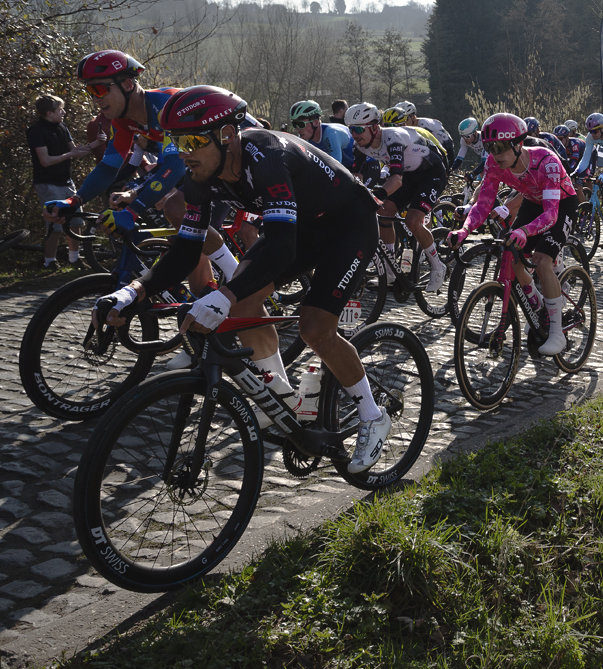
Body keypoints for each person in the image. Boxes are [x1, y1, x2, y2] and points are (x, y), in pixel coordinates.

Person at [92, 85, 392, 473]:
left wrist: (222, 296)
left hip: (348, 225)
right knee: (246, 302)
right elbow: (186, 249)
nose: (184, 151)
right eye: (176, 141)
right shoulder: (200, 173)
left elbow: (281, 247)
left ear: (227, 134)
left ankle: (372, 416)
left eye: (194, 140)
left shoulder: (266, 158)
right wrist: (133, 292)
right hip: (302, 228)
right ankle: (284, 398)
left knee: (315, 328)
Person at [43, 50, 241, 291]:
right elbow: (108, 168)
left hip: (235, 162)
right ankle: (209, 303)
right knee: (187, 240)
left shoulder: (166, 106)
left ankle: (242, 283)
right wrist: (75, 200)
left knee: (176, 209)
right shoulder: (123, 122)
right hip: (202, 168)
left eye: (99, 89)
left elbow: (174, 165)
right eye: (89, 91)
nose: (94, 98)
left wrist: (134, 209)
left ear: (127, 84)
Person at [448, 113, 578, 355]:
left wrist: (523, 230)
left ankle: (557, 332)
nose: (494, 155)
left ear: (518, 144)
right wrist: (463, 230)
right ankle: (540, 306)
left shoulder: (546, 161)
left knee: (541, 260)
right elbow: (483, 204)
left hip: (561, 205)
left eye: (499, 148)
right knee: (513, 257)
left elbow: (550, 215)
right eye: (489, 148)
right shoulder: (493, 164)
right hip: (531, 202)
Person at [346, 102, 448, 293]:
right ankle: (390, 268)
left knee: (413, 220)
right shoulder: (359, 145)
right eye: (351, 129)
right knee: (384, 212)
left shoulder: (393, 139)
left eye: (358, 128)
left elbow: (396, 180)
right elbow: (357, 177)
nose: (354, 134)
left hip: (432, 172)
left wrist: (373, 197)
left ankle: (438, 265)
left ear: (375, 127)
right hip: (410, 174)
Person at [27, 95, 90, 268]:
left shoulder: (62, 127)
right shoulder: (36, 131)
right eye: (60, 110)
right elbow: (45, 160)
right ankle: (49, 261)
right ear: (49, 113)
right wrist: (70, 155)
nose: (64, 112)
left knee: (76, 220)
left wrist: (98, 144)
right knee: (54, 222)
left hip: (66, 181)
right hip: (47, 182)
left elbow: (75, 151)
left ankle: (75, 259)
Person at [289, 99, 365, 178]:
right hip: (345, 169)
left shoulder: (331, 134)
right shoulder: (303, 138)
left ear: (315, 122)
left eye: (301, 124)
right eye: (294, 124)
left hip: (362, 165)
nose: (297, 129)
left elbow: (335, 168)